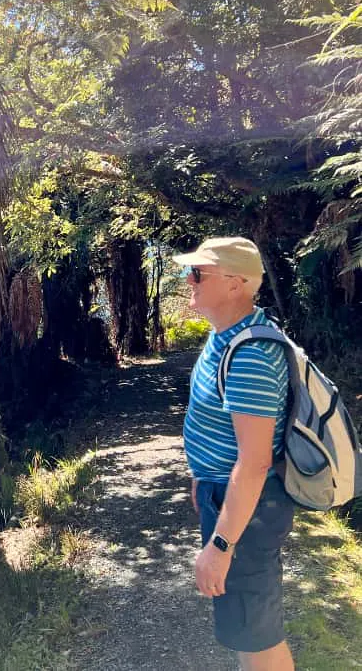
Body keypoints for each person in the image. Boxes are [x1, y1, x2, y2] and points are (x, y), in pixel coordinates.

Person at [173, 236, 295, 671]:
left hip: (247, 507)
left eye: (198, 273)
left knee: (256, 633)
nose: (188, 280)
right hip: (223, 494)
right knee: (244, 627)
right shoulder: (223, 337)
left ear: (235, 284)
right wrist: (200, 479)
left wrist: (221, 544)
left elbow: (256, 460)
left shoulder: (251, 354)